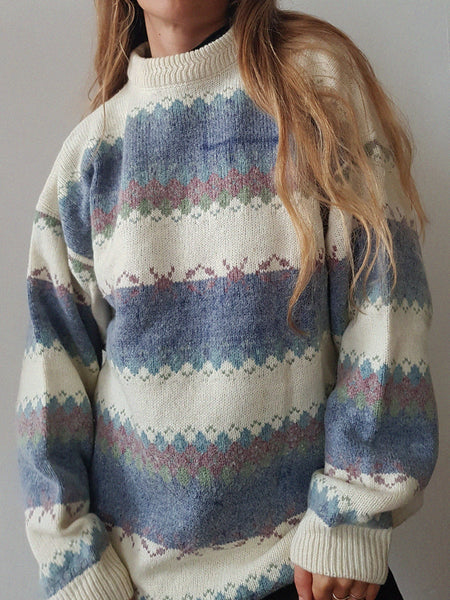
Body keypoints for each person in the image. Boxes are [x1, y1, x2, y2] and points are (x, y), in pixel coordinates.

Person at [15, 1, 438, 599]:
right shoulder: (90, 156)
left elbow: (386, 299)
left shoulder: (312, 86)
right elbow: (51, 376)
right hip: (141, 584)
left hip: (309, 567)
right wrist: (74, 564)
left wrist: (354, 510)